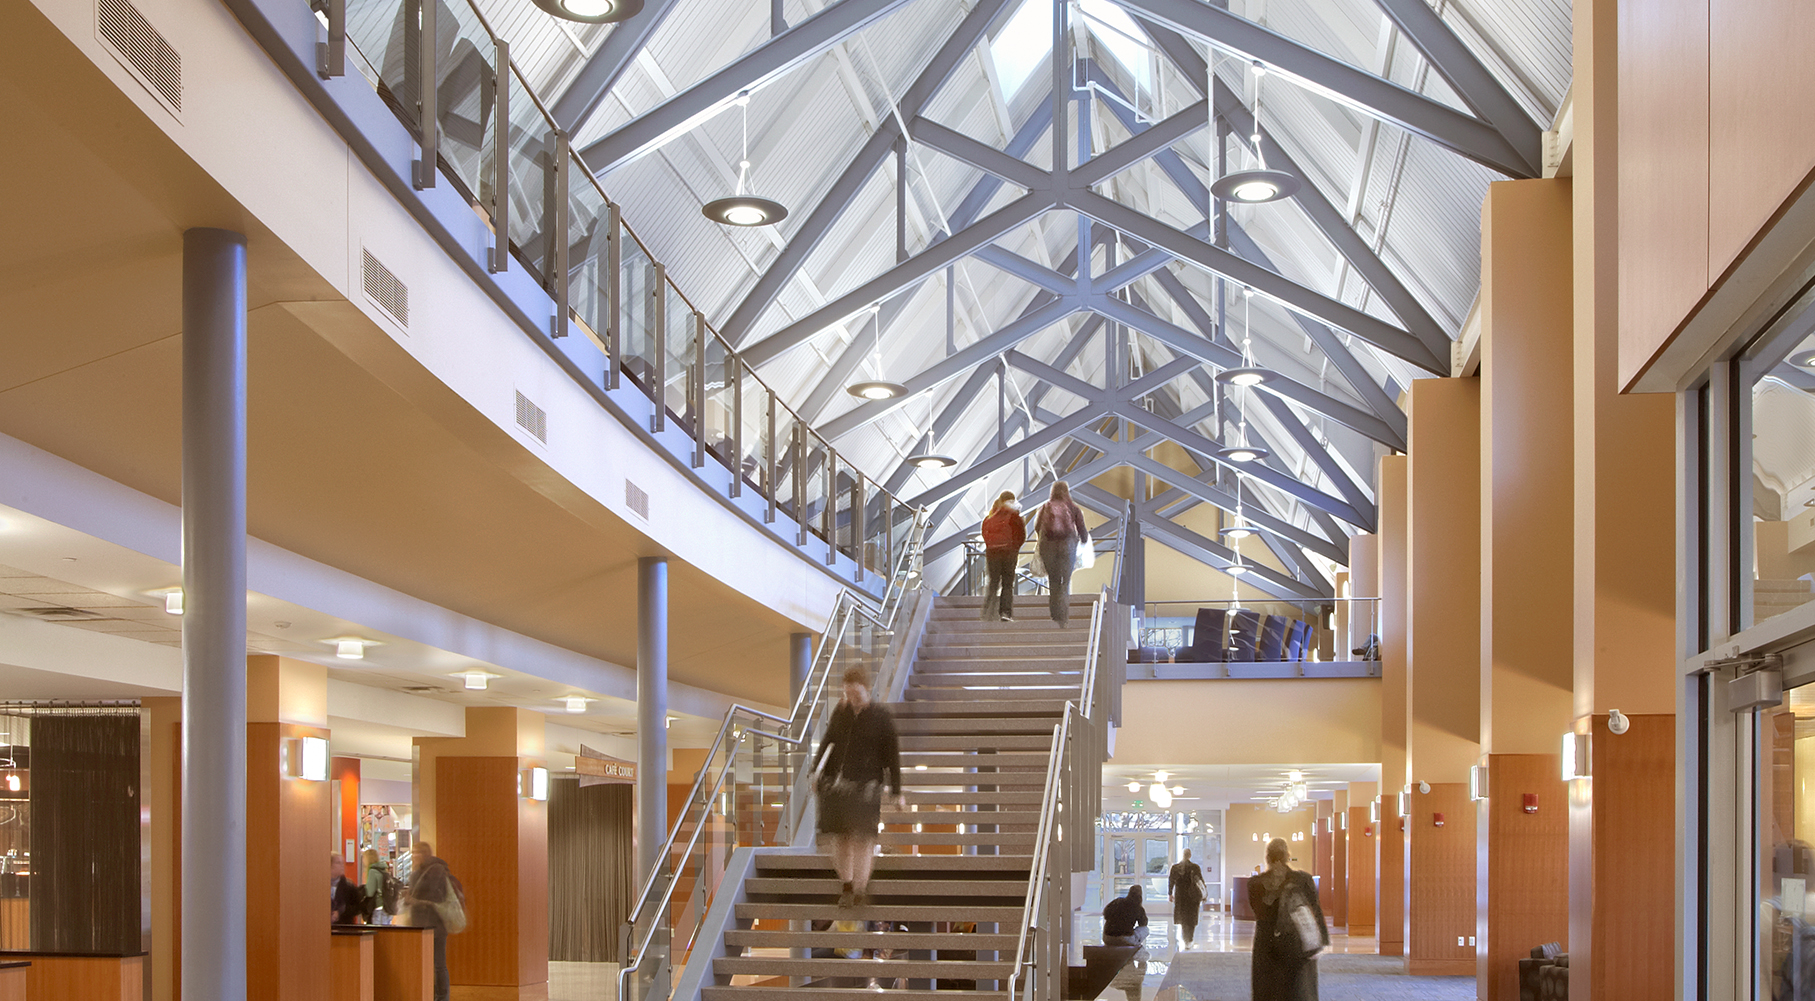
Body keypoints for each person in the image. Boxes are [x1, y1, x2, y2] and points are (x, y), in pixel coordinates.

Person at [811, 667, 903, 908]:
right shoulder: (841, 713)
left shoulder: (881, 716)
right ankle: (847, 885)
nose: (851, 698)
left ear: (867, 689)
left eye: (856, 694)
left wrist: (896, 791)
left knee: (863, 839)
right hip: (840, 785)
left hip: (867, 786)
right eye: (848, 693)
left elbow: (892, 755)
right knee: (841, 839)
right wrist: (815, 771)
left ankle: (860, 888)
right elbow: (828, 741)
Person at [1249, 838, 1328, 1001]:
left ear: (1267, 857)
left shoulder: (1255, 884)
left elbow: (1258, 913)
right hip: (1295, 943)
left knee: (1267, 990)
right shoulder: (1304, 880)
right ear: (1287, 856)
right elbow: (1316, 910)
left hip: (1266, 944)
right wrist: (1321, 940)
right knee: (1298, 990)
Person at [407, 840, 464, 1001]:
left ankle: (438, 996)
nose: (413, 856)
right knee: (436, 963)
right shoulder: (434, 870)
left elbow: (434, 897)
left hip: (429, 924)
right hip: (432, 924)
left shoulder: (428, 872)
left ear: (424, 854)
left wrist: (415, 901)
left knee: (436, 964)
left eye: (415, 852)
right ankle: (437, 996)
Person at [1034, 481, 1090, 626]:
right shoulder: (1073, 508)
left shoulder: (1045, 507)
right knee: (1064, 582)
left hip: (1048, 548)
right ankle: (1064, 617)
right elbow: (1082, 530)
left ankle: (1054, 615)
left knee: (1053, 581)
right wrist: (1082, 541)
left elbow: (1037, 527)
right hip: (1067, 548)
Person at [979, 491, 1026, 621]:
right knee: (1007, 584)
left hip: (992, 553)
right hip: (1009, 553)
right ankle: (1005, 612)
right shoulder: (1015, 516)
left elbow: (985, 534)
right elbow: (1021, 536)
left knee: (993, 583)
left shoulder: (990, 517)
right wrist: (1014, 548)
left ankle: (988, 612)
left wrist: (991, 547)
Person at [1168, 848, 1208, 949]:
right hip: (1193, 897)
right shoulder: (1195, 867)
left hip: (1180, 896)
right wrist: (1204, 894)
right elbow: (1201, 882)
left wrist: (1170, 893)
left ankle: (1186, 939)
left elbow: (1171, 881)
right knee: (1192, 917)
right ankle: (1189, 939)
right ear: (1190, 855)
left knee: (1183, 918)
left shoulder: (1175, 868)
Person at [330, 853, 365, 924]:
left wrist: (340, 912)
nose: (342, 866)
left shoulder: (349, 886)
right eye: (338, 863)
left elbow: (358, 907)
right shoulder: (319, 885)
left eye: (342, 863)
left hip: (344, 926)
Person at [362, 847, 391, 925]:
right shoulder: (383, 870)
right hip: (386, 907)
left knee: (377, 933)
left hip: (378, 906)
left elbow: (370, 892)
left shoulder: (372, 871)